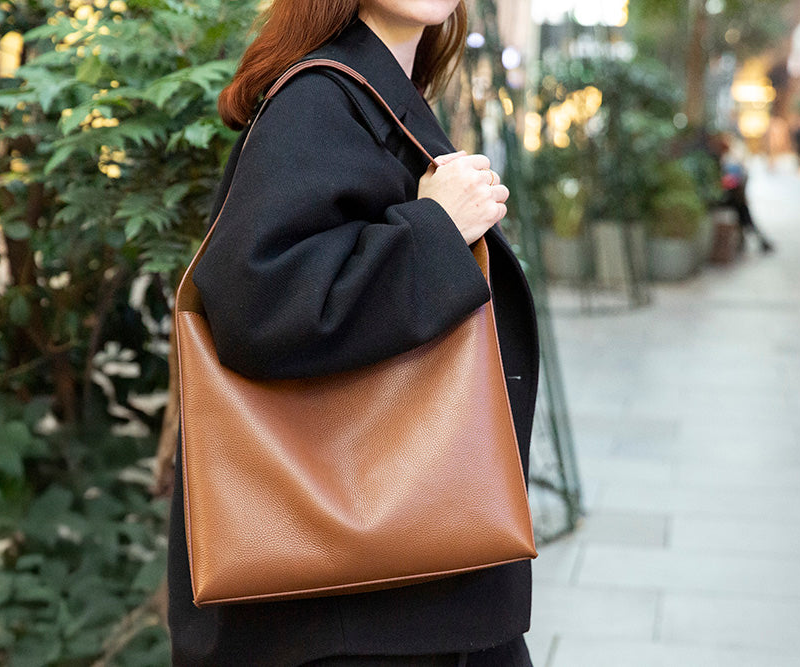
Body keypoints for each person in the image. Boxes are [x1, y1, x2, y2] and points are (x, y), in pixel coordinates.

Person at [166, 1, 539, 665]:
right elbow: (257, 306)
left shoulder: (374, 94)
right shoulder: (318, 100)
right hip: (356, 609)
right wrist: (435, 230)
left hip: (392, 584)